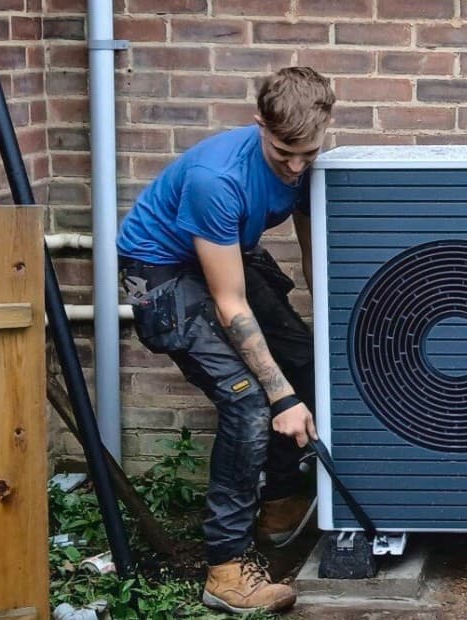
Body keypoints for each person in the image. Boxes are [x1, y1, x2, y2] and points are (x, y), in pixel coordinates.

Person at [116, 66, 334, 614]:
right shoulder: (219, 179)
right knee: (248, 399)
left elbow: (313, 258)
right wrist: (280, 397)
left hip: (224, 257)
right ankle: (226, 570)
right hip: (162, 270)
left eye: (308, 151)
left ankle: (281, 505)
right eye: (284, 151)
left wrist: (330, 323)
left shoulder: (305, 164)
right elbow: (228, 301)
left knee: (303, 359)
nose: (296, 165)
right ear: (260, 123)